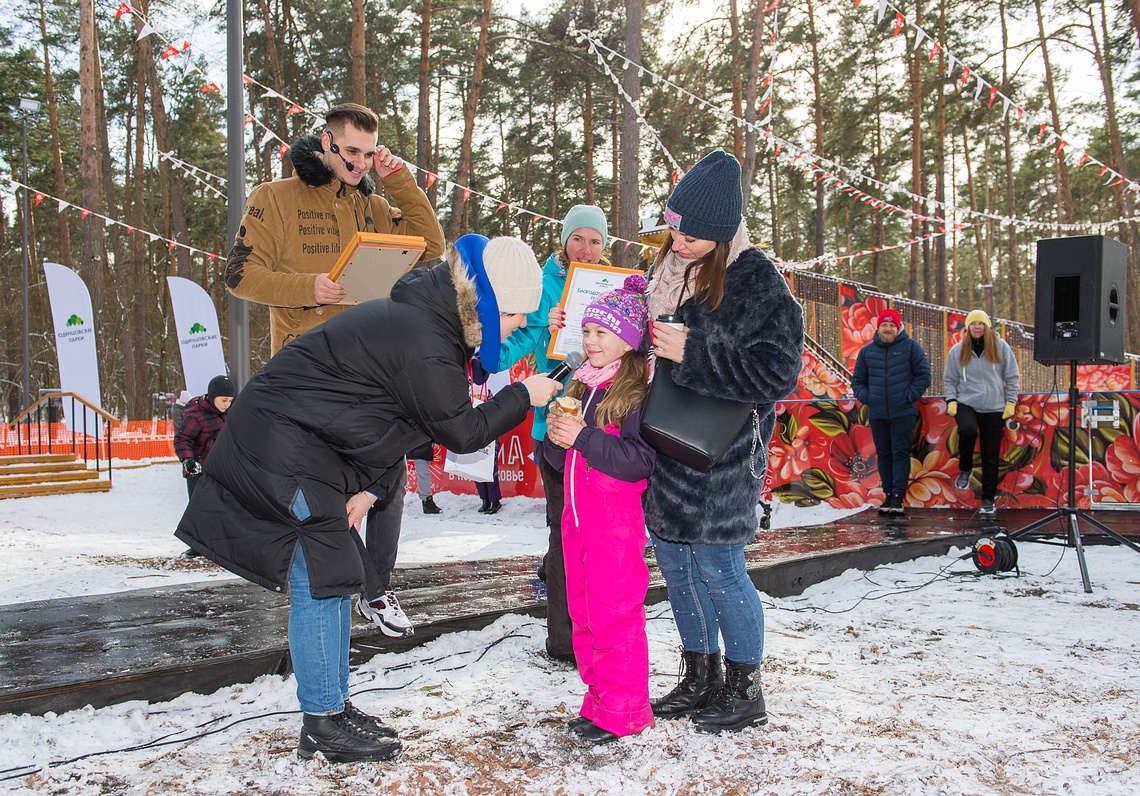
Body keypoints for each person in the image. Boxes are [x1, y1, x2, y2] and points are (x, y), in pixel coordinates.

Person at [176, 235, 561, 765]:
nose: (519, 325)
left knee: (337, 575)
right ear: (491, 302)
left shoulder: (427, 322)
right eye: (517, 313)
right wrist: (523, 395)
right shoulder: (424, 336)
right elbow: (461, 431)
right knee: (321, 575)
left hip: (305, 445)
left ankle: (332, 707)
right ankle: (323, 721)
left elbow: (393, 419)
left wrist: (372, 488)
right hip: (281, 444)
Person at [225, 102, 446, 634]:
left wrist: (401, 182)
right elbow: (238, 275)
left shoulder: (371, 203)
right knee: (324, 492)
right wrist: (309, 287)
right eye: (352, 152)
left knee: (388, 474)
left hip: (370, 370)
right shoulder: (274, 198)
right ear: (326, 143)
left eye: (371, 155)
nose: (361, 164)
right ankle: (352, 586)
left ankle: (376, 587)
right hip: (308, 374)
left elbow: (431, 249)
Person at [644, 151, 804, 734]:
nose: (676, 239)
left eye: (688, 232)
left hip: (724, 456)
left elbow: (778, 374)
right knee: (676, 567)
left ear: (718, 231)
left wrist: (693, 354)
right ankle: (699, 677)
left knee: (718, 566)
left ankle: (744, 687)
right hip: (667, 446)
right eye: (673, 227)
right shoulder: (673, 270)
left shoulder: (759, 282)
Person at [544, 273, 656, 745]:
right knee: (584, 612)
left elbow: (640, 461)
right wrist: (555, 436)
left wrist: (584, 438)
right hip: (575, 518)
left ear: (627, 341)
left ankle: (626, 710)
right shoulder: (583, 383)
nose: (590, 340)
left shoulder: (635, 393)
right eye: (587, 331)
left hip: (614, 522)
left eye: (601, 333)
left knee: (615, 614)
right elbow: (560, 460)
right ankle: (599, 702)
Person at [496, 204, 610, 665]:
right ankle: (564, 642)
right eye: (578, 238)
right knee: (565, 535)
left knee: (601, 534)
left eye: (595, 240)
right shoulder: (541, 285)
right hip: (560, 428)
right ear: (564, 240)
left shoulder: (618, 287)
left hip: (607, 429)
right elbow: (513, 345)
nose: (586, 248)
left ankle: (601, 628)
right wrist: (549, 330)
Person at [851, 308, 932, 516]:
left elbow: (924, 376)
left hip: (903, 411)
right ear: (878, 328)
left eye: (892, 325)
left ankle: (898, 495)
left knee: (900, 452)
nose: (888, 329)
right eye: (884, 325)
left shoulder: (911, 347)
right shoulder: (867, 352)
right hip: (878, 412)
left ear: (898, 327)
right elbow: (858, 381)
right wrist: (869, 398)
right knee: (884, 454)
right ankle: (888, 493)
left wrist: (908, 396)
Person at [944, 309, 1020, 518]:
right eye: (973, 324)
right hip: (967, 402)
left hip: (995, 406)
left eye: (981, 323)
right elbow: (950, 379)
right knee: (967, 431)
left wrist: (1010, 402)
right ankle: (965, 468)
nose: (977, 327)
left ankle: (988, 498)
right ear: (968, 328)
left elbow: (1012, 376)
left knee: (990, 453)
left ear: (987, 326)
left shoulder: (1001, 347)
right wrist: (951, 400)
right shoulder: (957, 351)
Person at [173, 375, 235, 500]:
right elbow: (182, 439)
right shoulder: (196, 416)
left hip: (220, 472)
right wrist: (188, 460)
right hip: (199, 472)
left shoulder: (228, 414)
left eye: (230, 401)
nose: (227, 405)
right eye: (223, 400)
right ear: (213, 396)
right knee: (202, 512)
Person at [471, 357, 504, 515]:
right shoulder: (469, 368)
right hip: (474, 426)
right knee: (476, 464)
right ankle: (484, 499)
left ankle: (494, 500)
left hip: (490, 427)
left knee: (489, 465)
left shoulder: (492, 365)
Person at [408, 442, 440, 514]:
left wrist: (436, 440)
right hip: (407, 440)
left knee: (423, 473)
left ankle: (427, 501)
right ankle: (427, 502)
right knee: (398, 472)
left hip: (421, 441)